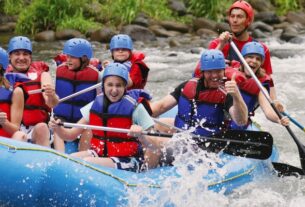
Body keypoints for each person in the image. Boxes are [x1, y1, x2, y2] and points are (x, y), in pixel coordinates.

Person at [149, 49, 248, 167]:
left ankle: (146, 174)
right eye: (210, 72)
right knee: (152, 126)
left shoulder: (226, 94)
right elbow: (160, 107)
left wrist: (237, 96)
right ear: (203, 72)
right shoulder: (187, 86)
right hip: (184, 137)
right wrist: (136, 113)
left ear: (224, 71)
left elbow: (241, 121)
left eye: (218, 71)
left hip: (205, 146)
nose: (215, 75)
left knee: (153, 141)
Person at [49, 63, 155, 172]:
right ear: (103, 85)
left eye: (118, 85)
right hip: (99, 153)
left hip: (128, 160)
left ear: (125, 87)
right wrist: (58, 128)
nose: (114, 90)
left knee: (88, 163)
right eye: (110, 85)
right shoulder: (94, 105)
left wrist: (141, 135)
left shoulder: (136, 108)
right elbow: (70, 135)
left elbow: (154, 146)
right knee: (68, 160)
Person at [193, 0, 282, 110]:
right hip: (218, 97)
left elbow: (267, 80)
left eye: (239, 17)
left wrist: (275, 101)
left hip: (244, 100)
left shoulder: (261, 49)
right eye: (232, 16)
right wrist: (221, 45)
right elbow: (199, 72)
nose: (235, 20)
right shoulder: (218, 43)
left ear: (248, 21)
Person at [6, 36, 59, 147]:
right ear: (9, 57)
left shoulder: (43, 75)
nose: (21, 58)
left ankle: (44, 160)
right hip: (10, 128)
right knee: (19, 136)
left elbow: (51, 103)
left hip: (35, 130)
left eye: (25, 54)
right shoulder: (3, 77)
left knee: (42, 127)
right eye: (17, 53)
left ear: (30, 57)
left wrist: (51, 95)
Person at [226, 42, 289, 129]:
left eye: (258, 59)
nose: (254, 61)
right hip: (219, 123)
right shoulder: (228, 71)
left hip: (240, 124)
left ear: (261, 63)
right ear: (242, 59)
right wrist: (221, 43)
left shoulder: (260, 85)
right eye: (250, 57)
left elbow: (268, 110)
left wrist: (279, 119)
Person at [52, 38, 100, 152]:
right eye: (67, 56)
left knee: (88, 128)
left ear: (83, 58)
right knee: (57, 124)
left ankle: (82, 156)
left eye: (72, 57)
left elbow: (99, 99)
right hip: (63, 118)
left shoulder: (96, 75)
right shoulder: (59, 70)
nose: (68, 60)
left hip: (82, 120)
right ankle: (60, 155)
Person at [0, 47, 24, 138]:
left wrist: (4, 122)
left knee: (20, 135)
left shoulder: (16, 92)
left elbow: (15, 130)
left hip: (5, 144)